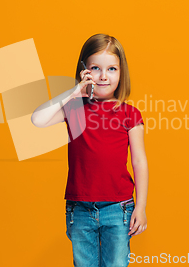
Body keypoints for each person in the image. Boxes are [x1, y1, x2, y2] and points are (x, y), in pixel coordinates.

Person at [31, 34, 148, 267]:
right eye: (96, 68)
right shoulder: (74, 108)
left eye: (112, 69)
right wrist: (74, 92)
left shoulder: (129, 114)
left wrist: (142, 206)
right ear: (84, 70)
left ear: (121, 72)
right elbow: (37, 119)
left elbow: (139, 161)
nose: (104, 76)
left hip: (119, 208)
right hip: (80, 209)